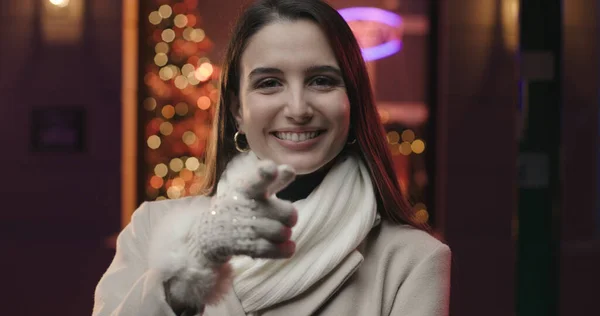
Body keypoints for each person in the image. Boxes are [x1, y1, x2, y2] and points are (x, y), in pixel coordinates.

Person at [92, 0, 451, 315]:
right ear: (237, 109)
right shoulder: (152, 229)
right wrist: (187, 273)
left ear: (352, 103)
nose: (297, 109)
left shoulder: (412, 260)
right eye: (269, 83)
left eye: (321, 81)